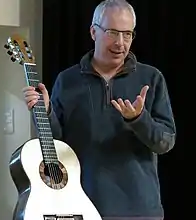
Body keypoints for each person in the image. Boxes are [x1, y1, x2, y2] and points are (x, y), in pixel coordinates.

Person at [23, 0, 176, 219]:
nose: (121, 43)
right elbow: (56, 149)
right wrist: (45, 112)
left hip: (139, 210)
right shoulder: (68, 80)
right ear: (94, 32)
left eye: (128, 34)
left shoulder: (151, 78)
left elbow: (165, 142)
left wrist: (138, 119)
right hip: (79, 205)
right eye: (113, 32)